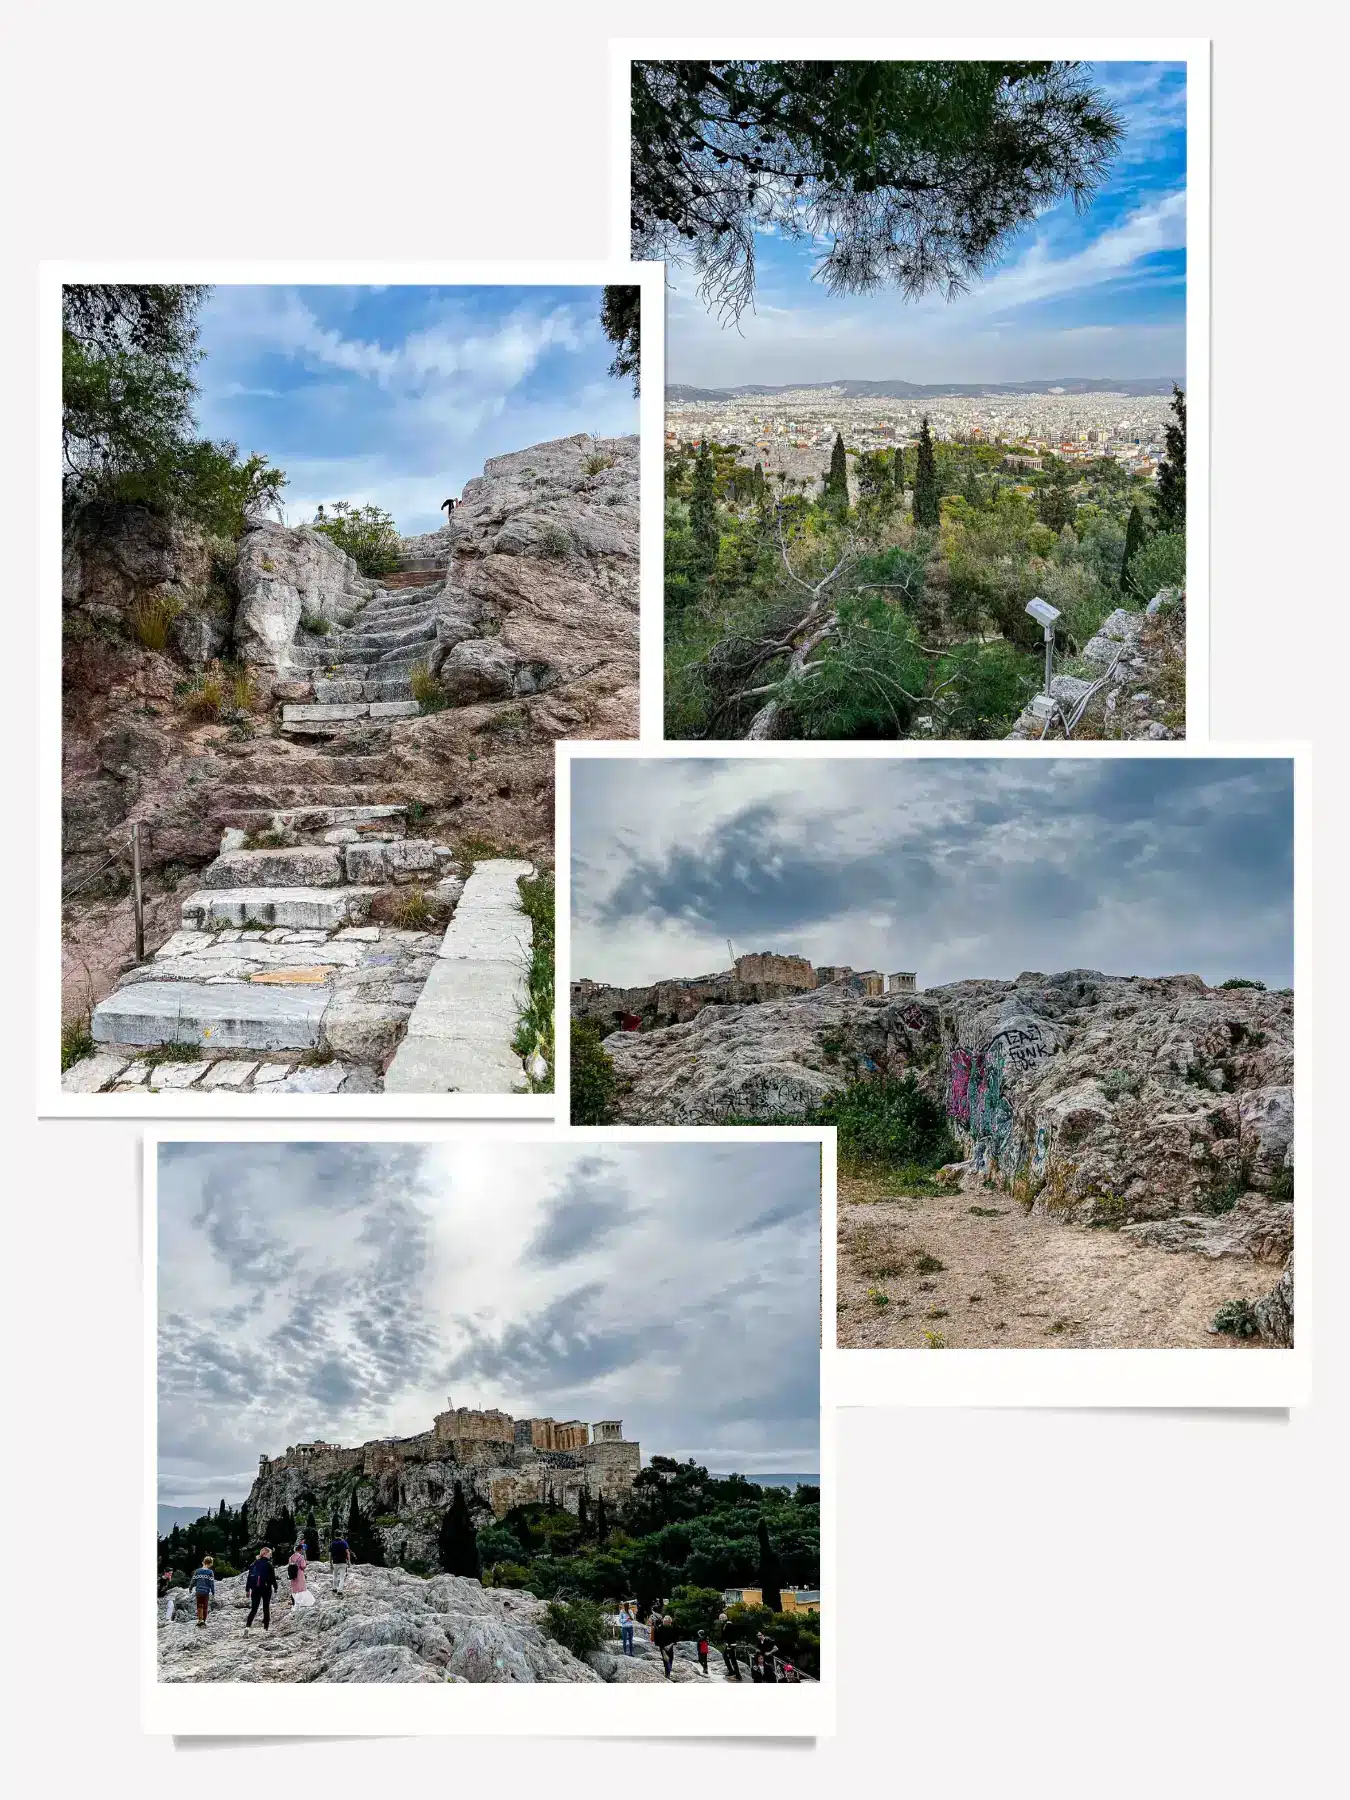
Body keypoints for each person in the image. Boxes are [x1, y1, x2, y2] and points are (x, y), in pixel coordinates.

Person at [244, 1547, 278, 1631]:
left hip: (255, 1588)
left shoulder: (254, 1564)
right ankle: (266, 1627)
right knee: (266, 1607)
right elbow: (273, 1577)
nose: (270, 1555)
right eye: (270, 1554)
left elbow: (249, 1577)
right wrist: (275, 1587)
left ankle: (247, 1626)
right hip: (266, 1588)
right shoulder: (268, 1564)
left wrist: (247, 1589)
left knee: (254, 1609)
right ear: (265, 1554)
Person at [190, 1555, 215, 1628]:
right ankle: (203, 1621)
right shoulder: (210, 1572)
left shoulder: (197, 1571)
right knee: (205, 1607)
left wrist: (190, 1588)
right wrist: (213, 1592)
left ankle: (199, 1620)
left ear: (203, 1562)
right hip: (206, 1592)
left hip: (198, 1591)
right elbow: (211, 1583)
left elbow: (193, 1580)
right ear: (210, 1563)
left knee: (199, 1606)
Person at [653, 1613, 679, 1679]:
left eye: (667, 1619)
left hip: (670, 1646)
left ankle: (668, 1673)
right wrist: (663, 1649)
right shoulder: (660, 1628)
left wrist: (670, 1645)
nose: (665, 1620)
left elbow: (675, 1639)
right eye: (665, 1619)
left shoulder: (672, 1628)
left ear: (670, 1621)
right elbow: (657, 1639)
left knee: (670, 1660)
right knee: (666, 1660)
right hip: (663, 1647)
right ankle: (667, 1674)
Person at [717, 1611, 742, 1681]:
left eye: (721, 1618)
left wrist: (729, 1644)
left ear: (724, 1618)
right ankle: (731, 1671)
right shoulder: (725, 1624)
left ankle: (738, 1675)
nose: (720, 1620)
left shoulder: (729, 1624)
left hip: (731, 1644)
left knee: (733, 1659)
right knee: (725, 1655)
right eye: (719, 1618)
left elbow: (733, 1635)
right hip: (729, 1644)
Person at [287, 1543, 308, 1607]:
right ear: (300, 1549)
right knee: (301, 1587)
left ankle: (294, 1602)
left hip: (292, 1574)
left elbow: (290, 1564)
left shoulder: (291, 1557)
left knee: (294, 1588)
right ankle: (301, 1603)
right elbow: (303, 1566)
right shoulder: (301, 1557)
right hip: (299, 1573)